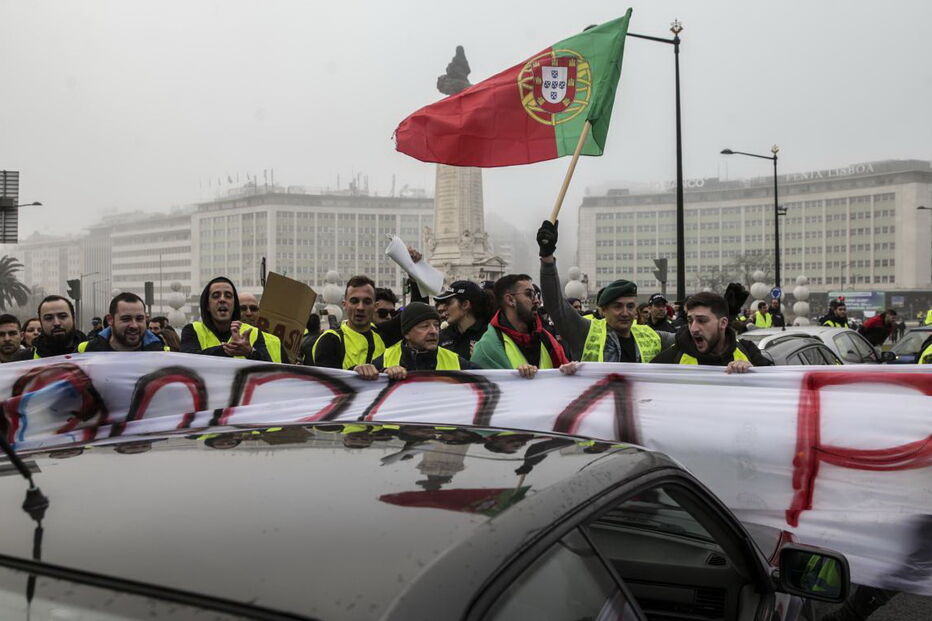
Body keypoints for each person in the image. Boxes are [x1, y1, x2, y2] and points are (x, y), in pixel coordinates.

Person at [536, 220, 668, 363]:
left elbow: (685, 338)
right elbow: (556, 306)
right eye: (617, 306)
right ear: (603, 310)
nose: (625, 312)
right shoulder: (586, 332)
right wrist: (547, 257)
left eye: (630, 306)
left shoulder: (650, 337)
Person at [470, 273, 572, 377]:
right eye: (529, 294)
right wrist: (517, 378)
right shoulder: (486, 348)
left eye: (536, 295)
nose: (537, 301)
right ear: (510, 300)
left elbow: (564, 375)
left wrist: (571, 371)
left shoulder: (546, 338)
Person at [651, 291, 772, 372]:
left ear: (723, 323)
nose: (693, 328)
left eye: (702, 321)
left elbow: (774, 383)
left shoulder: (747, 350)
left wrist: (753, 371)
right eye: (690, 320)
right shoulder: (674, 356)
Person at [358, 302, 479, 380]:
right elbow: (350, 380)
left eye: (436, 325)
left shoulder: (455, 361)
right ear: (407, 334)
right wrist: (378, 372)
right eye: (424, 326)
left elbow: (491, 380)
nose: (433, 331)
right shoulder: (385, 359)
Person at [311, 275, 402, 370]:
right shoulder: (330, 340)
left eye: (367, 302)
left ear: (375, 306)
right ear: (345, 305)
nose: (360, 307)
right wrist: (354, 372)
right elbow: (327, 381)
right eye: (354, 301)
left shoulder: (383, 334)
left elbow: (414, 316)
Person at [181, 277, 275, 361]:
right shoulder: (192, 330)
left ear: (234, 305)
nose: (222, 299)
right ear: (207, 306)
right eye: (216, 296)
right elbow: (188, 361)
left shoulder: (253, 333)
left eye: (228, 296)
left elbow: (269, 367)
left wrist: (249, 352)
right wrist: (227, 349)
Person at [78, 293, 169, 352]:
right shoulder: (87, 351)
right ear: (110, 320)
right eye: (126, 319)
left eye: (139, 319)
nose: (134, 325)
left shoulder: (161, 352)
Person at [13, 295, 85, 360]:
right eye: (49, 318)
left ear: (73, 318)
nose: (56, 323)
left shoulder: (93, 351)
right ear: (41, 322)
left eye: (62, 316)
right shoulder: (24, 359)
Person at [433, 280, 489, 360]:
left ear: (465, 304)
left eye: (448, 303)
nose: (444, 308)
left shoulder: (488, 336)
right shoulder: (443, 336)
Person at [238, 291, 285, 363]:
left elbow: (287, 372)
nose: (249, 313)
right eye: (243, 308)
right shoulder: (225, 338)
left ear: (259, 313)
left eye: (253, 309)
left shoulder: (275, 341)